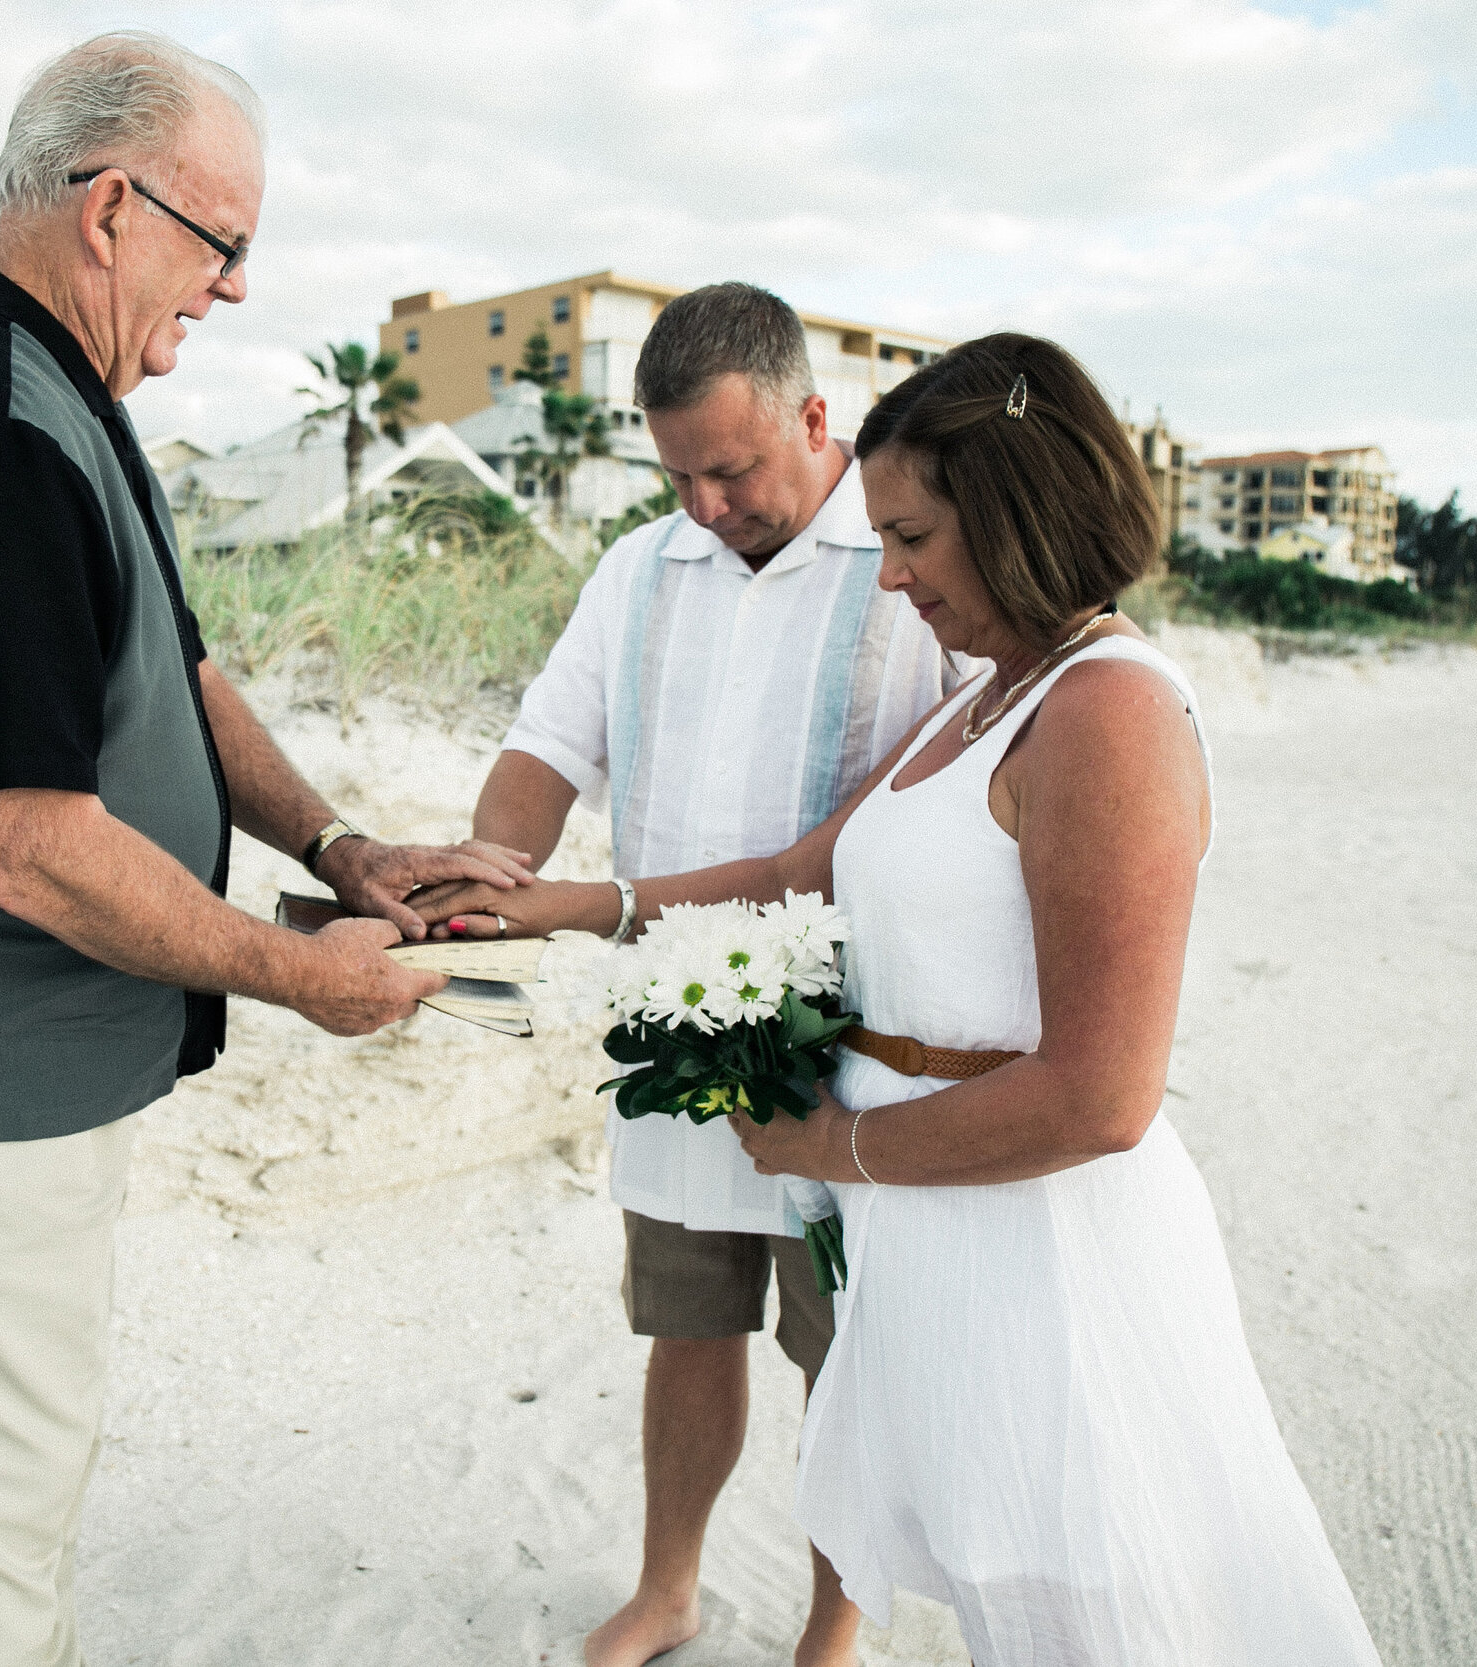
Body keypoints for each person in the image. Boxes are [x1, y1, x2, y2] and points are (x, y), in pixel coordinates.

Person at [422, 333, 1381, 1663]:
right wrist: (553, 905)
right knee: (1002, 1583)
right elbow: (789, 868)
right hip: (917, 1204)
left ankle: (834, 1633)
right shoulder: (993, 691)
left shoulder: (1107, 709)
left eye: (917, 537)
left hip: (1027, 1234)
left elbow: (1105, 1098)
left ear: (1019, 513)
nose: (897, 571)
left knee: (1092, 1585)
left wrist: (831, 1148)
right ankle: (673, 1585)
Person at [0, 34, 531, 1666]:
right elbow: (24, 848)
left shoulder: (65, 393)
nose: (242, 289)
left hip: (29, 1073)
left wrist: (345, 844)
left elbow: (174, 676)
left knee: (8, 1492)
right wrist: (298, 978)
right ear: (111, 206)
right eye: (227, 242)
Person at [445, 282, 961, 1667]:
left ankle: (833, 1628)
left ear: (813, 415)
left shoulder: (912, 564)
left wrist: (589, 900)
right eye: (678, 474)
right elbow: (550, 744)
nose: (707, 504)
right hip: (673, 1024)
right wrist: (488, 881)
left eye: (733, 469)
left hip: (857, 1040)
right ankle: (668, 1588)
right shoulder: (639, 567)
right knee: (687, 1320)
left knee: (840, 1355)